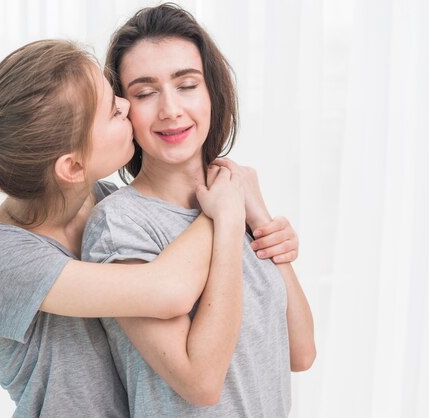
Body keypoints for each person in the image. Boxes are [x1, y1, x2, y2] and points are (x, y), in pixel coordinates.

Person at [0, 39, 298, 417]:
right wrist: (225, 206)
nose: (127, 104)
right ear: (72, 168)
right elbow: (168, 290)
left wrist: (267, 232)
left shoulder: (102, 199)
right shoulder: (1, 259)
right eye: (112, 111)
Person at [82, 4, 315, 417]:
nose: (170, 109)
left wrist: (259, 220)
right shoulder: (119, 224)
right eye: (145, 92)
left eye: (187, 84)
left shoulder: (231, 194)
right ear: (123, 110)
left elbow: (301, 351)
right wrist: (225, 220)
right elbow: (200, 384)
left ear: (212, 92)